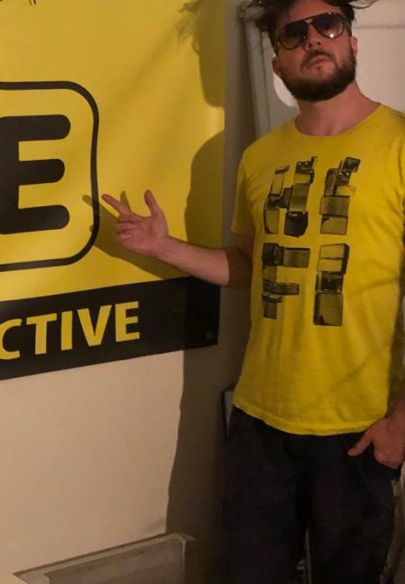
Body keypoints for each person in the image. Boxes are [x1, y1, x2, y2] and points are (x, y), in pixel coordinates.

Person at [103, 0, 405, 581]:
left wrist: (401, 422)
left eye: (328, 24)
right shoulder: (260, 158)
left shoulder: (397, 142)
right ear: (276, 64)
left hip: (359, 430)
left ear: (352, 40)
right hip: (261, 422)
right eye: (293, 33)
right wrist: (164, 248)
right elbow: (249, 264)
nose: (313, 39)